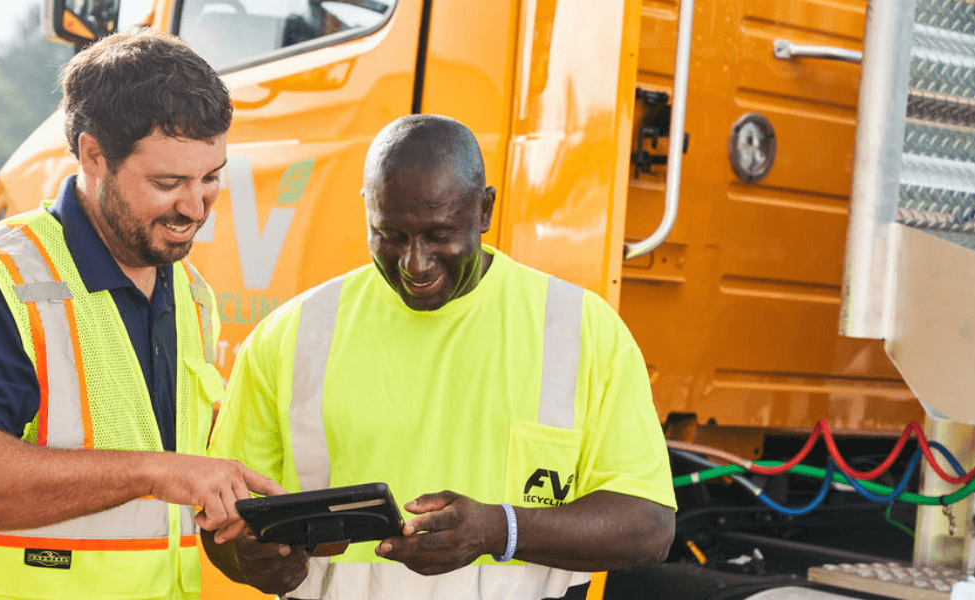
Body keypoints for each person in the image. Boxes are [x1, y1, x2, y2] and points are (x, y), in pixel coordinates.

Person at [203, 114, 677, 600]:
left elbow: (650, 526)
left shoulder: (582, 330)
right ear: (368, 210)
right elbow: (221, 520)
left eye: (437, 235)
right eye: (391, 235)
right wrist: (249, 561)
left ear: (485, 209)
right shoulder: (290, 334)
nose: (414, 263)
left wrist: (501, 529)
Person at [0, 30, 283, 600]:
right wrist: (155, 472)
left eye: (211, 178)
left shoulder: (192, 298)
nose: (195, 207)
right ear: (93, 154)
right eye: (167, 182)